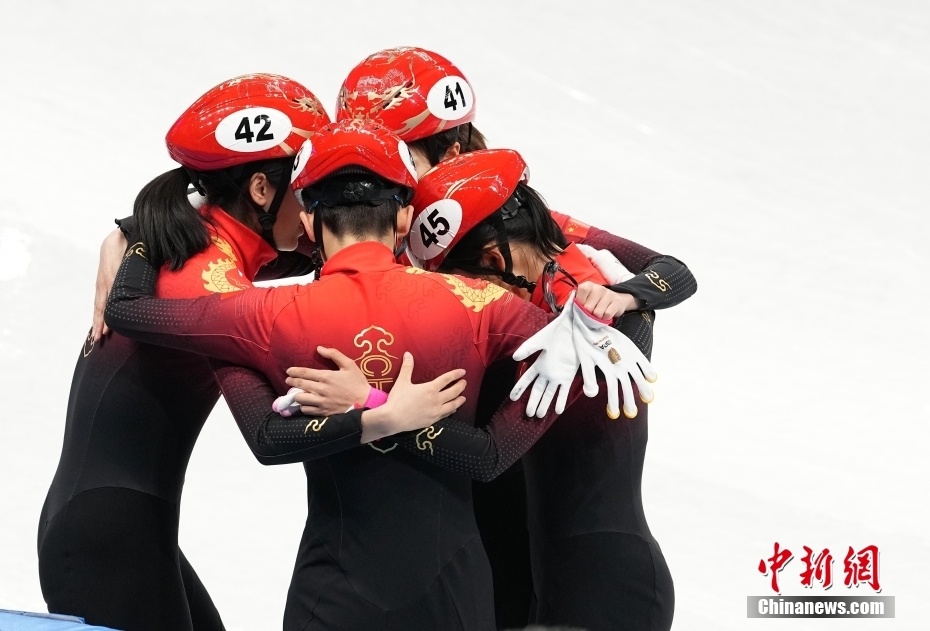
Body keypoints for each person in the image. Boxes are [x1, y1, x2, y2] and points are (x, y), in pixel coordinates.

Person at [104, 120, 644, 630]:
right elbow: (493, 453)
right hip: (455, 597)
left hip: (332, 596)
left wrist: (150, 226)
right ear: (405, 220)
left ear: (310, 224)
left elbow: (127, 310)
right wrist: (623, 303)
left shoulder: (262, 314)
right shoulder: (480, 304)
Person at [38, 75, 463, 631]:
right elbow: (268, 431)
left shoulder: (199, 241)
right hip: (112, 536)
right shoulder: (208, 281)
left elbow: (341, 251)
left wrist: (131, 228)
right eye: (307, 188)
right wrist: (380, 411)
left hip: (115, 522)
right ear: (261, 189)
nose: (315, 205)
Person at [326, 45, 698, 628]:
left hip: (562, 557)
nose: (378, 176)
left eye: (396, 157)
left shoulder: (511, 232)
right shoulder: (438, 227)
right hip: (519, 554)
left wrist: (628, 300)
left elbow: (668, 271)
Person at [406, 148, 689, 631]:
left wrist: (370, 409)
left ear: (494, 260)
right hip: (563, 580)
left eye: (465, 287)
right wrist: (635, 305)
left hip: (605, 588)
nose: (468, 305)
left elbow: (488, 455)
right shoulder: (555, 275)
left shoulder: (573, 339)